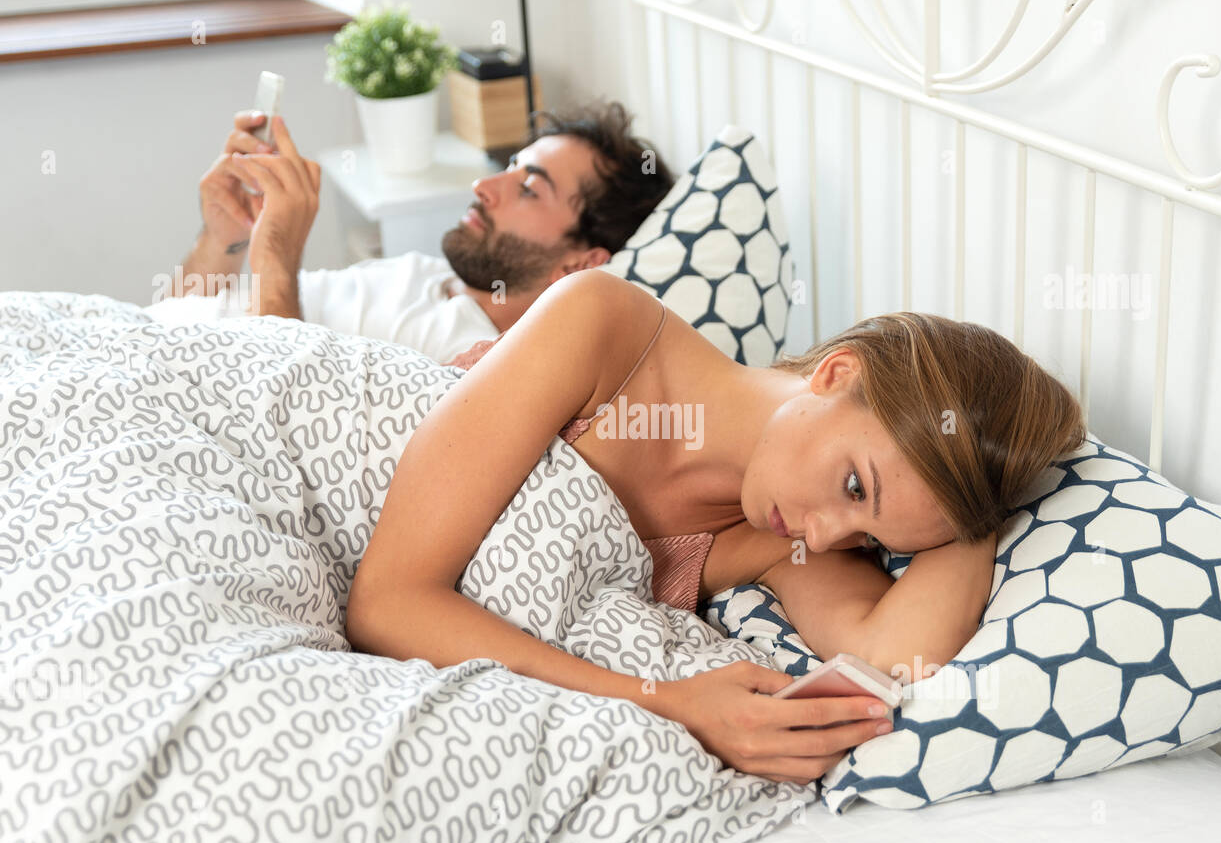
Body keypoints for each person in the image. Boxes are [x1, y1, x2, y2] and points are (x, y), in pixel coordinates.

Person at [344, 269, 1088, 784]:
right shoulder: (601, 326)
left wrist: (976, 507)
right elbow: (387, 603)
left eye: (874, 537)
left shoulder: (781, 539)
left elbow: (895, 652)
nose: (826, 535)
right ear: (835, 374)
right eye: (856, 484)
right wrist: (667, 701)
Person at [166, 101, 673, 365]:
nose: (484, 185)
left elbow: (278, 420)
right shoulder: (425, 273)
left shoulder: (467, 358)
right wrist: (225, 237)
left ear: (581, 263)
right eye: (512, 166)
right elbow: (186, 309)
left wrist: (278, 252)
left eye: (529, 189)